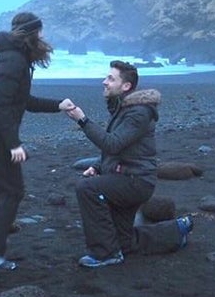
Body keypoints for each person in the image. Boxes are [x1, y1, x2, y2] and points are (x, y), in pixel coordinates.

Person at [0, 12, 75, 271]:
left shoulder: (14, 58)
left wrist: (58, 105)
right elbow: (1, 106)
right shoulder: (13, 60)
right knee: (13, 192)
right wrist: (14, 144)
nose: (42, 37)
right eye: (39, 32)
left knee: (5, 190)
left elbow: (23, 101)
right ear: (31, 33)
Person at [64, 60, 193, 268]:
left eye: (110, 78)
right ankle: (176, 231)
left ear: (126, 86)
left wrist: (82, 121)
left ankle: (106, 254)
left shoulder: (137, 113)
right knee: (124, 241)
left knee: (86, 188)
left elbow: (113, 144)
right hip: (128, 177)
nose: (104, 82)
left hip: (136, 182)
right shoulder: (124, 108)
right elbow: (121, 147)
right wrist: (97, 166)